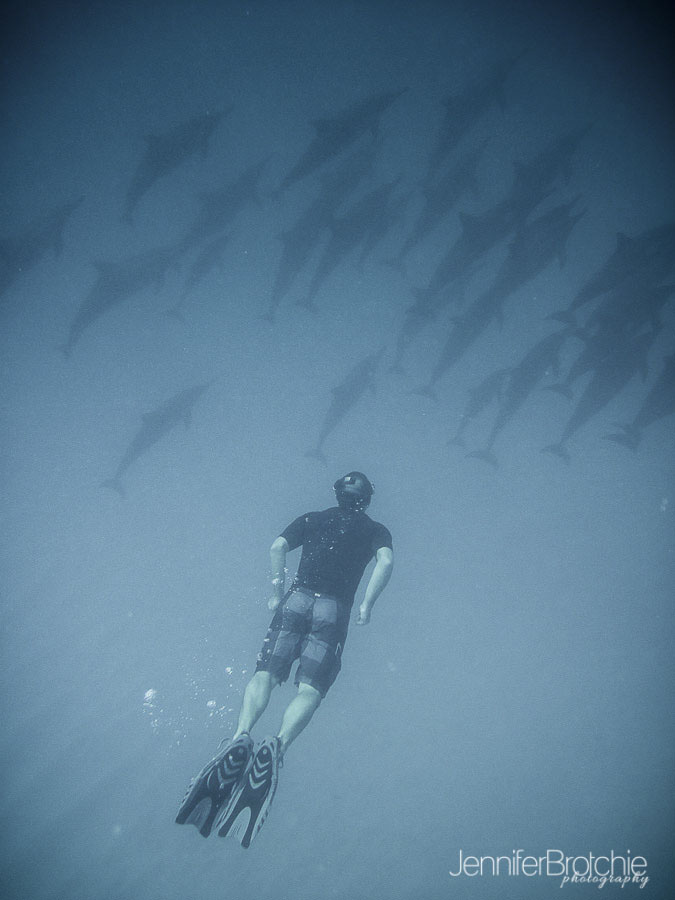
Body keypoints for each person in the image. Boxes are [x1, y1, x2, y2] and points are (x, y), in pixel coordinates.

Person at [176, 471, 394, 847]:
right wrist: (367, 605)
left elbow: (277, 546)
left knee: (266, 674)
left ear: (336, 492)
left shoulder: (312, 518)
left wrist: (276, 591)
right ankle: (278, 744)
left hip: (297, 598)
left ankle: (241, 733)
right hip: (333, 609)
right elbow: (386, 562)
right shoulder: (376, 529)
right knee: (310, 688)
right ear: (368, 499)